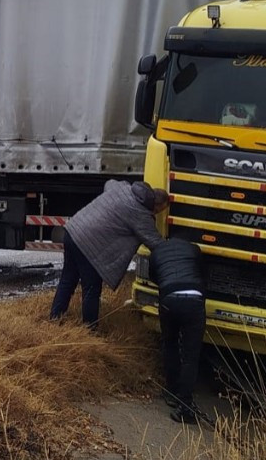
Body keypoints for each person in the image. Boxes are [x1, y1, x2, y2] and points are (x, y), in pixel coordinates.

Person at [49, 180, 168, 330]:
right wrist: (176, 249)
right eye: (158, 212)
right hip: (89, 246)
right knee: (91, 288)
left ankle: (54, 319)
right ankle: (89, 330)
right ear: (155, 206)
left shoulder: (123, 188)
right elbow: (155, 242)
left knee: (68, 279)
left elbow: (108, 183)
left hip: (73, 231)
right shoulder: (141, 214)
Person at [149, 238, 206, 424]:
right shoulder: (194, 247)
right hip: (195, 299)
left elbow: (153, 276)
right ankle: (185, 407)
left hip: (169, 297)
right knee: (191, 356)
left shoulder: (156, 251)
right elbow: (201, 272)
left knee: (170, 344)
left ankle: (171, 391)